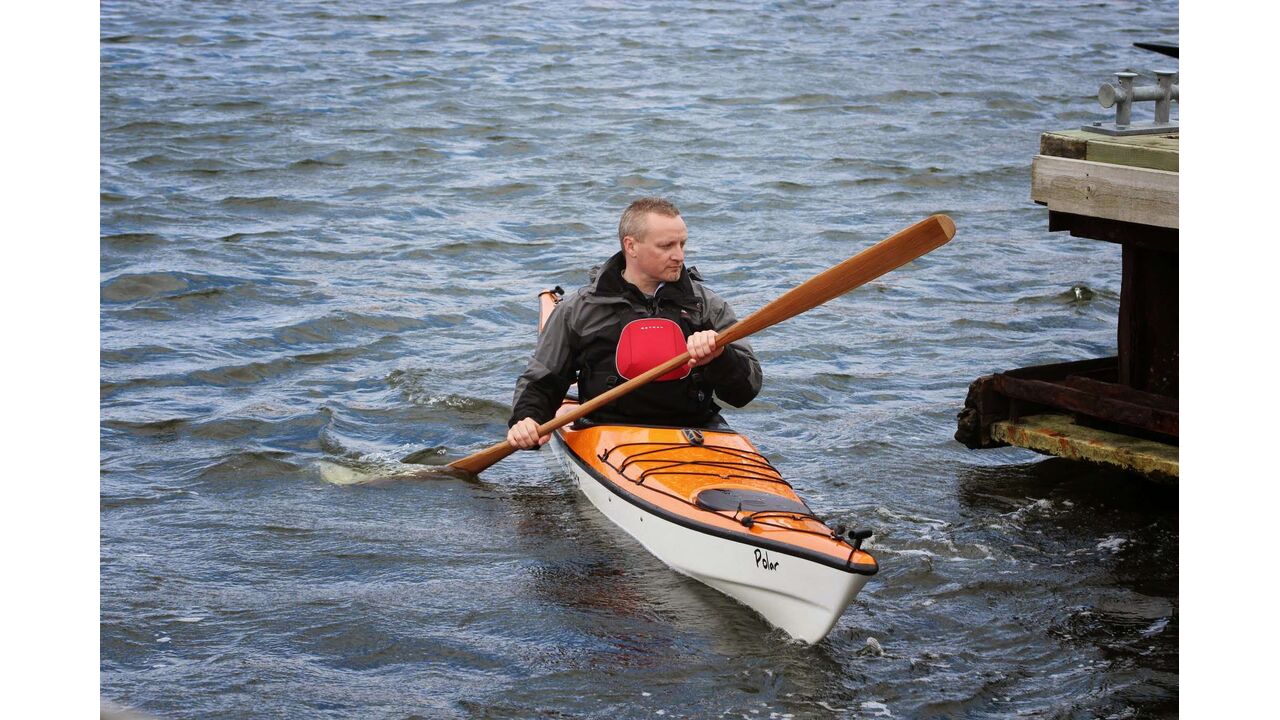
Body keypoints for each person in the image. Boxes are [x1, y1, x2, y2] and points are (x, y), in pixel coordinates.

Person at [507, 197, 762, 449]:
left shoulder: (706, 306)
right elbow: (543, 380)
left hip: (693, 432)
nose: (679, 256)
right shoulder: (580, 309)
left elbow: (744, 393)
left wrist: (720, 356)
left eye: (682, 244)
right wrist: (527, 419)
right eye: (666, 246)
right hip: (608, 432)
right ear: (631, 246)